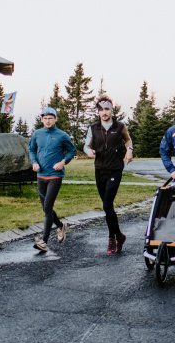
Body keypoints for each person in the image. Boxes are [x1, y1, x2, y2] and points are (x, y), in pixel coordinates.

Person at [83, 97, 134, 255]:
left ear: (111, 110)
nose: (104, 112)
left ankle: (112, 238)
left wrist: (130, 150)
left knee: (106, 205)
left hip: (115, 169)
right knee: (108, 207)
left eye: (107, 109)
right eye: (101, 109)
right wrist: (88, 151)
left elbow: (128, 140)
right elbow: (86, 145)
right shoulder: (93, 128)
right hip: (99, 170)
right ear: (98, 111)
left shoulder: (120, 126)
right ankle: (118, 236)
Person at [27, 106, 76, 253]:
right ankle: (60, 226)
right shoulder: (37, 134)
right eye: (45, 118)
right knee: (46, 208)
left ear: (55, 119)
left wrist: (63, 162)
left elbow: (72, 151)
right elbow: (31, 150)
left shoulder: (62, 135)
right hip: (41, 175)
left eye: (50, 118)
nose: (48, 121)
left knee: (48, 207)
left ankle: (44, 241)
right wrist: (34, 162)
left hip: (55, 176)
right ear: (41, 119)